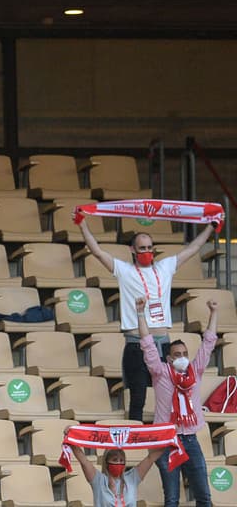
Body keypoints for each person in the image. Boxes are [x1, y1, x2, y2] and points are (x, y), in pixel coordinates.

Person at [77, 217, 213, 422]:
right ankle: (135, 437)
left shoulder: (165, 267)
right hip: (136, 343)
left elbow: (193, 248)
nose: (147, 251)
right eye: (142, 248)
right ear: (132, 250)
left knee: (170, 394)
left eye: (150, 247)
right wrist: (82, 225)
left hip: (164, 344)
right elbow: (97, 251)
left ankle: (170, 435)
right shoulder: (125, 270)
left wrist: (211, 226)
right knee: (138, 398)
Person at [138, 295, 219, 507]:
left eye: (185, 353)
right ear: (169, 358)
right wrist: (140, 313)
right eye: (177, 354)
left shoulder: (195, 370)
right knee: (172, 499)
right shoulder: (160, 372)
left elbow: (209, 342)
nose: (182, 357)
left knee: (204, 497)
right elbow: (147, 345)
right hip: (166, 441)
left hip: (191, 439)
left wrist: (214, 312)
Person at [66, 436, 164, 507]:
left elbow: (150, 458)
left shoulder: (132, 478)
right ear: (106, 462)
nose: (118, 463)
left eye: (121, 460)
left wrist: (169, 438)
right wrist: (70, 436)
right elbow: (84, 461)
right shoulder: (98, 480)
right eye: (115, 460)